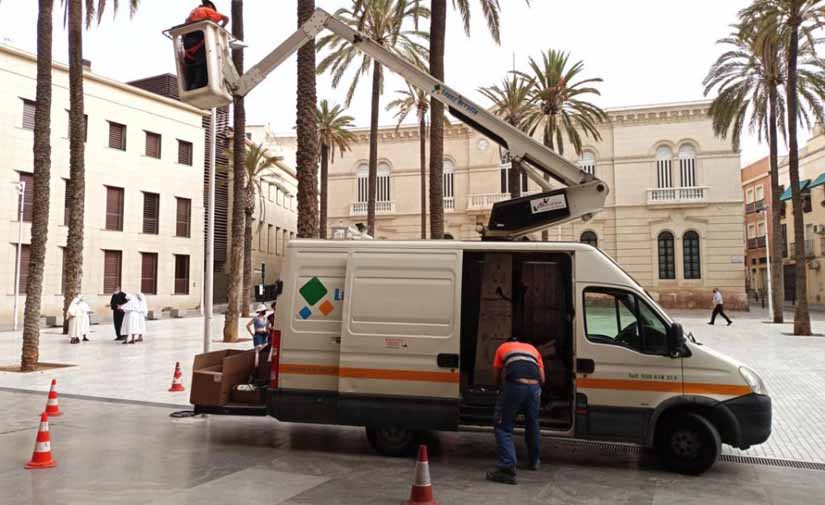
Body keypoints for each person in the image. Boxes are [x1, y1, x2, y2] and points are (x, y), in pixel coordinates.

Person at [486, 336, 545, 485]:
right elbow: (543, 378)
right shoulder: (533, 350)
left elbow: (496, 376)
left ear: (508, 342)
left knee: (503, 426)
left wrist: (502, 390)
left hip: (515, 386)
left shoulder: (502, 348)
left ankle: (507, 468)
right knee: (532, 423)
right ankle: (534, 461)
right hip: (534, 388)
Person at [182, 1, 229, 90]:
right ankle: (198, 85)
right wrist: (220, 29)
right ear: (210, 6)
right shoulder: (207, 9)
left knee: (190, 66)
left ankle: (190, 86)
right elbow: (226, 18)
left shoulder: (193, 12)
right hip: (198, 40)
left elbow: (185, 23)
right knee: (202, 64)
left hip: (188, 43)